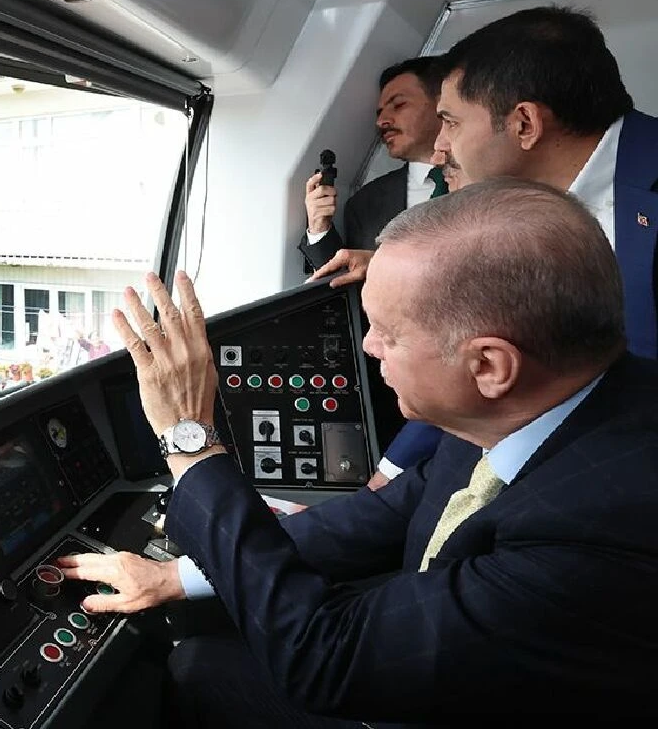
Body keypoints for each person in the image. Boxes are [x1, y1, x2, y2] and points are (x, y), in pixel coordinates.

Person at [61, 180, 658, 725]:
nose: (368, 348)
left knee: (193, 670)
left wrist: (190, 437)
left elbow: (321, 662)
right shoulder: (532, 413)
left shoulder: (602, 531)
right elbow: (385, 514)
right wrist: (177, 575)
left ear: (489, 365)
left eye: (388, 334)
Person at [311, 5, 658, 488]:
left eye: (450, 122)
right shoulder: (514, 217)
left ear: (524, 125)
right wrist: (387, 477)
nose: (438, 150)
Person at [298, 57, 446, 272]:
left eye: (398, 105)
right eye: (379, 113)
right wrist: (319, 229)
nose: (381, 122)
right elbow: (343, 284)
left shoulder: (494, 176)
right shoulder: (365, 204)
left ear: (443, 103)